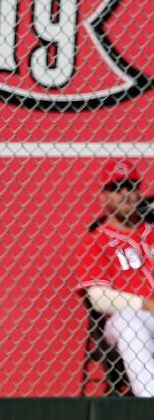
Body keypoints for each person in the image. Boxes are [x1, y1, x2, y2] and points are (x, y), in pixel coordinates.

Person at [76, 160, 154, 397]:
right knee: (129, 323)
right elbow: (99, 298)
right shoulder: (96, 240)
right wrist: (144, 304)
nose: (125, 194)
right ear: (103, 197)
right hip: (129, 319)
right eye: (116, 187)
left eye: (130, 186)